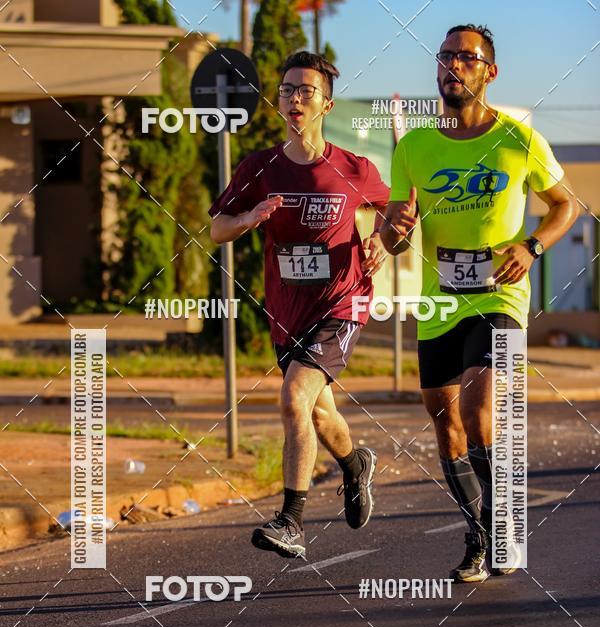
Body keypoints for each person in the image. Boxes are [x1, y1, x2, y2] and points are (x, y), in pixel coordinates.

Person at [381, 24, 579, 582]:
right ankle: (480, 534)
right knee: (444, 420)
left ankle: (505, 528)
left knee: (476, 406)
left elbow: (567, 205)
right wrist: (394, 229)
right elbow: (398, 232)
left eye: (464, 58)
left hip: (500, 296)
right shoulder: (414, 146)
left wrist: (532, 245)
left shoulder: (518, 139)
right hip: (439, 301)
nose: (451, 66)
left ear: (489, 71)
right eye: (444, 57)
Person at [210, 51, 390, 559]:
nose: (294, 98)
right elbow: (216, 228)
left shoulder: (353, 167)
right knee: (317, 411)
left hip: (342, 302)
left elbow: (396, 209)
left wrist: (379, 237)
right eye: (287, 89)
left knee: (293, 398)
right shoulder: (259, 167)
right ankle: (356, 465)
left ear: (326, 104)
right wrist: (250, 217)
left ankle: (291, 521)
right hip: (288, 310)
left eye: (306, 90)